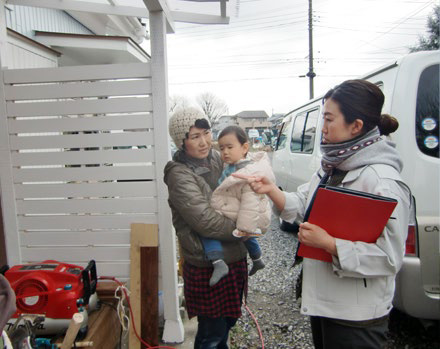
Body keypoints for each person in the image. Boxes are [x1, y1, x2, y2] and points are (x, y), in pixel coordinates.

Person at [239, 79, 412, 349]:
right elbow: (304, 202)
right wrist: (271, 189)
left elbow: (390, 258)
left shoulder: (382, 181)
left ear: (356, 126)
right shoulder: (333, 165)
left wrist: (330, 245)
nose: (323, 128)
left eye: (329, 119)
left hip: (356, 316)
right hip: (324, 304)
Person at [164, 107, 248, 349]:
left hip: (234, 256)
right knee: (212, 333)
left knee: (228, 322)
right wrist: (244, 226)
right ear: (182, 141)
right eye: (194, 137)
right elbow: (204, 221)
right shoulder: (178, 173)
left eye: (206, 133)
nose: (204, 142)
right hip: (206, 262)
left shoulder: (218, 156)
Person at [203, 125, 275, 286]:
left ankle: (217, 262)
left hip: (241, 212)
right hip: (236, 208)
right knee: (247, 237)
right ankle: (257, 258)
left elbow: (250, 203)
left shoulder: (248, 172)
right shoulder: (233, 166)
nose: (225, 152)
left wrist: (244, 228)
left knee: (207, 230)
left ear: (244, 147)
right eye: (221, 148)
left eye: (230, 147)